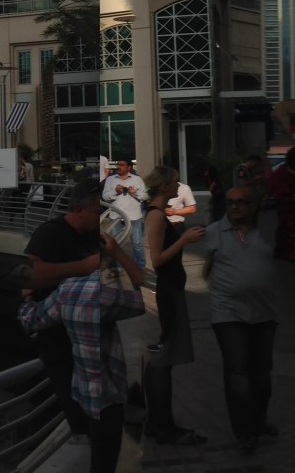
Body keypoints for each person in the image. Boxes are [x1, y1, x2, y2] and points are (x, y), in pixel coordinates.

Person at [19, 229, 146, 473]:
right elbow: (148, 293)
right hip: (109, 396)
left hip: (84, 395)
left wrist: (27, 296)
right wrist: (119, 254)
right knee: (105, 461)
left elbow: (31, 320)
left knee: (97, 454)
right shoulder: (105, 295)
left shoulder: (67, 290)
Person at [23, 178, 105, 440]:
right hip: (59, 340)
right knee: (75, 408)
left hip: (86, 338)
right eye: (98, 211)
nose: (102, 217)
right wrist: (83, 266)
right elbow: (27, 275)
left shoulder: (94, 233)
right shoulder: (51, 233)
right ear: (80, 210)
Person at [203, 186, 281, 455]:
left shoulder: (267, 231)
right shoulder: (213, 232)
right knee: (237, 372)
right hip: (228, 313)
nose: (235, 207)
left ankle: (259, 418)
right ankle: (245, 432)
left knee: (262, 374)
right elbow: (206, 267)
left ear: (254, 205)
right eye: (231, 202)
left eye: (242, 202)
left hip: (264, 312)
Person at [142, 165, 207, 445]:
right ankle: (163, 425)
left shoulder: (158, 213)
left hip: (171, 289)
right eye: (175, 182)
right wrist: (184, 240)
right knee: (163, 359)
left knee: (162, 357)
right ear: (164, 186)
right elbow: (157, 259)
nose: (178, 186)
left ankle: (156, 422)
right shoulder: (157, 215)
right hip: (169, 291)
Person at [102, 159, 148, 267]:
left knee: (137, 243)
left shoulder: (137, 179)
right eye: (118, 164)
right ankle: (117, 267)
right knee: (116, 244)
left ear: (129, 167)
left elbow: (146, 196)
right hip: (116, 217)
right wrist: (115, 191)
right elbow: (104, 197)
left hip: (134, 217)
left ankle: (140, 266)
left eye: (122, 165)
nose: (119, 166)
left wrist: (135, 193)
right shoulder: (110, 179)